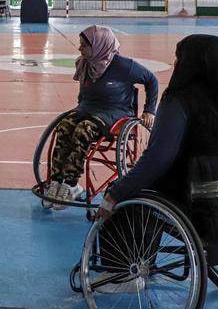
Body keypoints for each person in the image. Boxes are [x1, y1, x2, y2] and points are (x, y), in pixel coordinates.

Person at [97, 35, 218, 220]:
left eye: (179, 58)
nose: (175, 62)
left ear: (189, 64)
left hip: (197, 198)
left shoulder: (177, 103)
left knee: (122, 196)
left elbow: (157, 160)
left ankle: (133, 250)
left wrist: (115, 194)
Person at [44, 25, 159, 207]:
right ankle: (57, 181)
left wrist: (149, 109)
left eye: (84, 45)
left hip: (115, 112)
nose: (79, 48)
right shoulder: (84, 63)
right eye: (80, 44)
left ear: (99, 46)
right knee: (65, 126)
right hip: (88, 108)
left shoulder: (123, 66)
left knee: (83, 130)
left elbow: (151, 80)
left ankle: (72, 184)